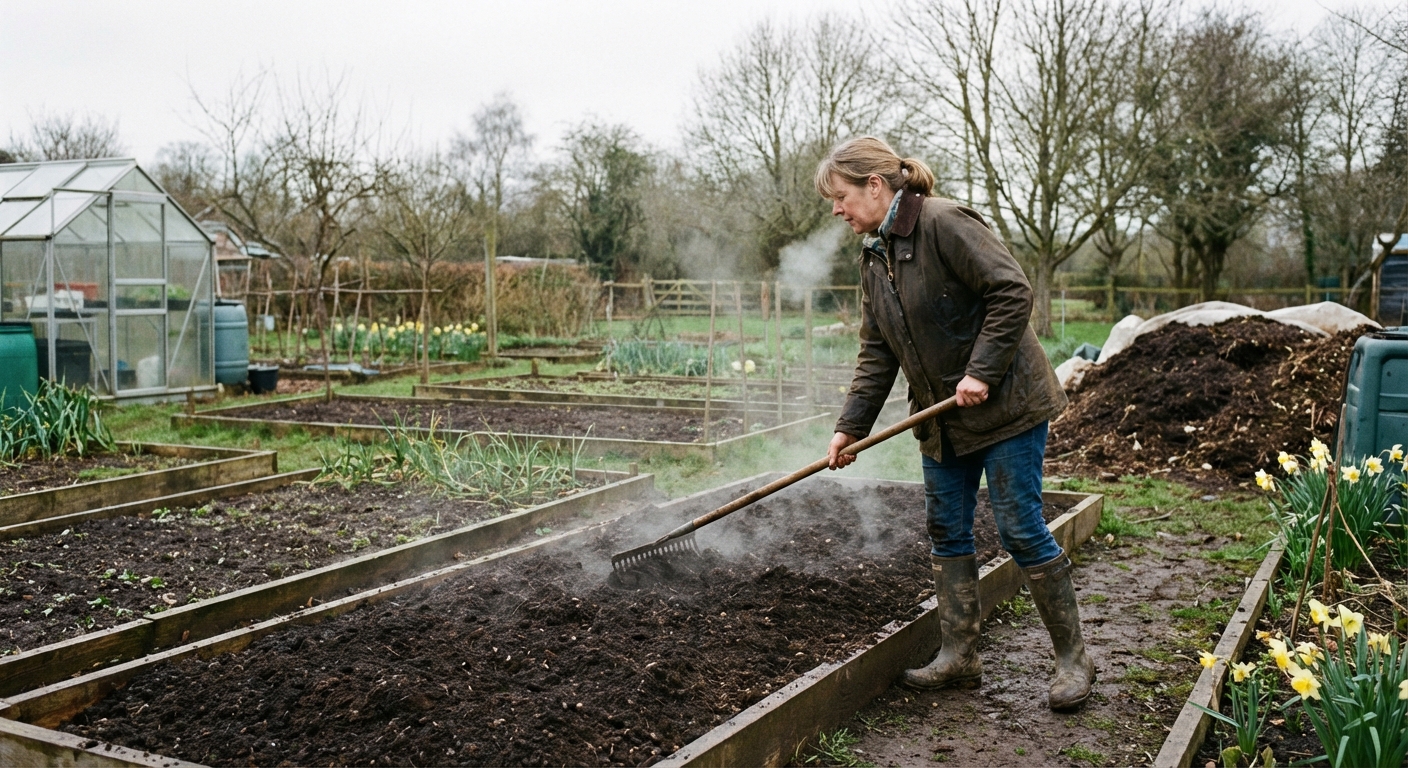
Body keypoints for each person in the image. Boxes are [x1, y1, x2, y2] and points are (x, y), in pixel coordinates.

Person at [817, 136, 1094, 711]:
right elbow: (877, 352)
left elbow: (1012, 291)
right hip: (943, 420)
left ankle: (1075, 660)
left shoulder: (943, 223)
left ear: (876, 185)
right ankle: (959, 657)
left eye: (841, 197)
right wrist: (851, 427)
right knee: (948, 531)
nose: (837, 210)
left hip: (1006, 407)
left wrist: (983, 371)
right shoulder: (875, 255)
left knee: (1020, 528)